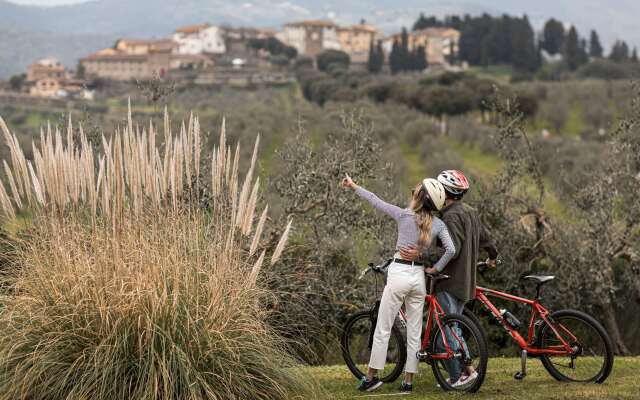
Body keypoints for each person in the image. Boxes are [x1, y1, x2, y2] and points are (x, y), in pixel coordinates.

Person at [341, 174, 455, 393]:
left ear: (420, 198)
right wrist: (434, 268)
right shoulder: (439, 224)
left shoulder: (404, 215)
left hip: (399, 273)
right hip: (418, 278)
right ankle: (408, 382)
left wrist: (354, 185)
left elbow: (375, 200)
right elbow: (451, 250)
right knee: (414, 332)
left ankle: (371, 378)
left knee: (383, 328)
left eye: (416, 191)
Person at [400, 169, 498, 388]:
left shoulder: (451, 216)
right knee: (453, 327)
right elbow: (487, 239)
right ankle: (459, 373)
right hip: (467, 282)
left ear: (446, 192)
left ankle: (463, 374)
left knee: (449, 330)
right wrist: (493, 256)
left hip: (449, 280)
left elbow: (450, 250)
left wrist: (422, 255)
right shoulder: (470, 211)